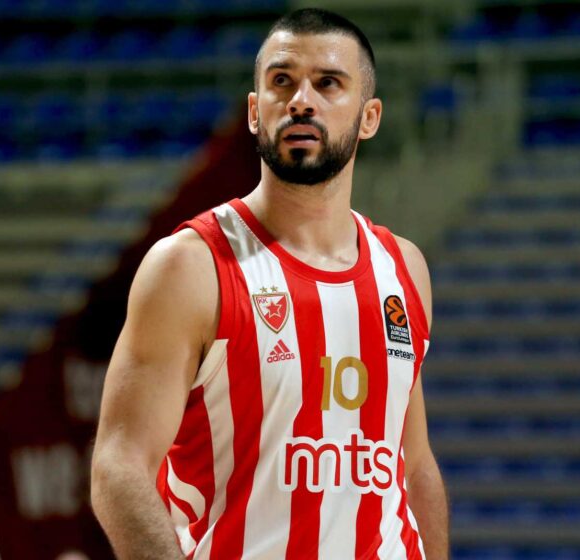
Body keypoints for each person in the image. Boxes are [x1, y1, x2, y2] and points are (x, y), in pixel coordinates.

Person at [91, 8, 449, 559]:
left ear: (369, 117)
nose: (302, 100)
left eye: (328, 83)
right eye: (282, 81)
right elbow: (118, 467)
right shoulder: (190, 267)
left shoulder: (404, 269)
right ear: (255, 112)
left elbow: (414, 463)